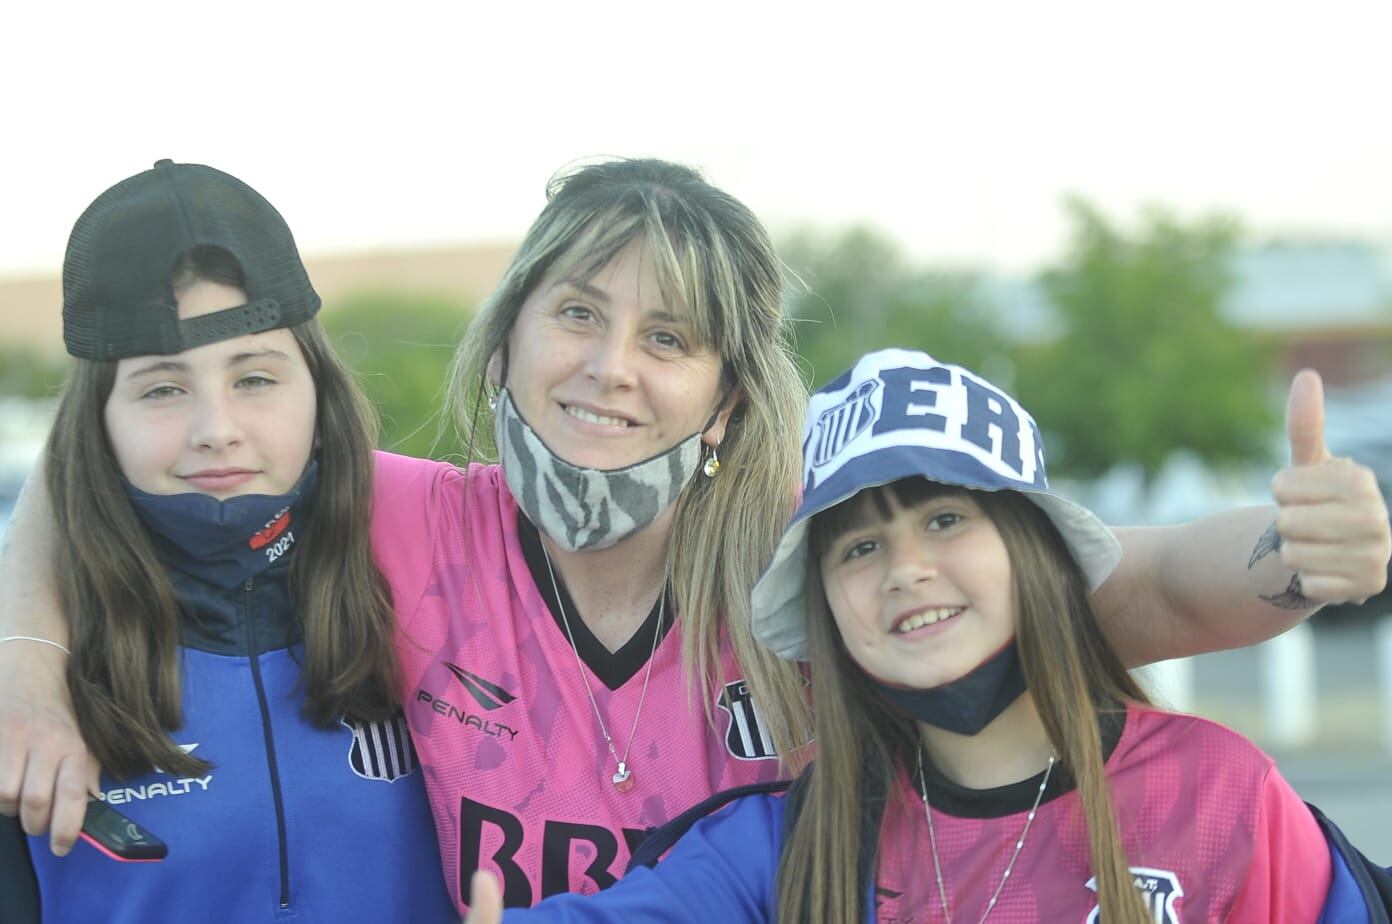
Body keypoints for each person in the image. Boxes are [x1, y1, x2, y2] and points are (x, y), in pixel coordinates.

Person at [2, 160, 1390, 914]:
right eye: (578, 314)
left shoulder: (818, 561)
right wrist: (20, 662)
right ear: (512, 331)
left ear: (728, 397)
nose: (612, 366)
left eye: (669, 338)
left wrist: (1292, 556)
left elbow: (1119, 589)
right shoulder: (406, 516)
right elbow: (112, 481)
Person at [459, 349, 1376, 923]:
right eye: (860, 545)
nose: (905, 569)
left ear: (1035, 552)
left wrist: (1315, 544)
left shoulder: (1218, 795)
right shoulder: (779, 851)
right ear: (823, 610)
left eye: (944, 521)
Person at [0, 161, 455, 922]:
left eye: (255, 379)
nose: (217, 430)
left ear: (319, 390)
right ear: (98, 424)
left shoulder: (442, 575)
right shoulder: (29, 692)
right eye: (163, 389)